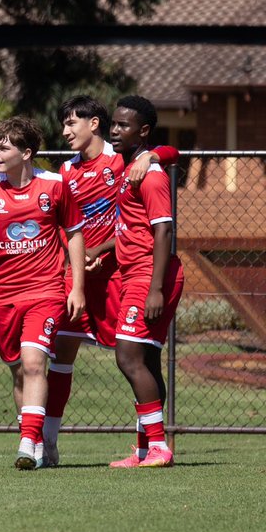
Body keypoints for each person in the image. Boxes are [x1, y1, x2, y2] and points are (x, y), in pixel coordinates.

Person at [44, 95, 179, 465]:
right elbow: (63, 222)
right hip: (81, 277)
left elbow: (171, 152)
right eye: (64, 123)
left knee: (135, 358)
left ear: (94, 124)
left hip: (128, 275)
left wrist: (153, 156)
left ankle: (155, 446)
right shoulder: (66, 172)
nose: (66, 130)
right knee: (62, 357)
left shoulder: (126, 162)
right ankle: (48, 444)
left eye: (72, 123)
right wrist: (84, 255)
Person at [0, 116, 85, 470]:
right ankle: (37, 439)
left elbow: (75, 234)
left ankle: (28, 443)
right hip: (5, 293)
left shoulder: (56, 185)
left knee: (34, 362)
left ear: (26, 152)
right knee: (18, 369)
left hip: (46, 290)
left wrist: (76, 286)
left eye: (4, 147)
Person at [106, 95, 184, 468]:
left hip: (149, 275)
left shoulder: (148, 174)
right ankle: (143, 450)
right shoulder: (129, 164)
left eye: (124, 125)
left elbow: (164, 231)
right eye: (114, 123)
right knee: (148, 363)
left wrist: (155, 288)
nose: (115, 130)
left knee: (128, 356)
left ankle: (158, 447)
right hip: (134, 272)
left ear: (143, 131)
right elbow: (174, 151)